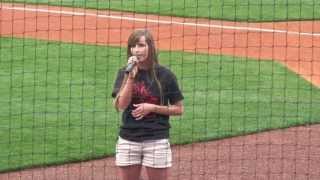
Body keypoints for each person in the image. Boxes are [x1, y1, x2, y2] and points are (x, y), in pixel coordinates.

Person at [111, 29, 184, 180]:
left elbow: (179, 109)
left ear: (150, 47)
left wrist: (153, 108)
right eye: (133, 46)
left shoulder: (165, 75)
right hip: (129, 139)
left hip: (156, 139)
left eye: (141, 45)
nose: (137, 50)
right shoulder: (124, 72)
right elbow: (121, 105)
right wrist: (130, 77)